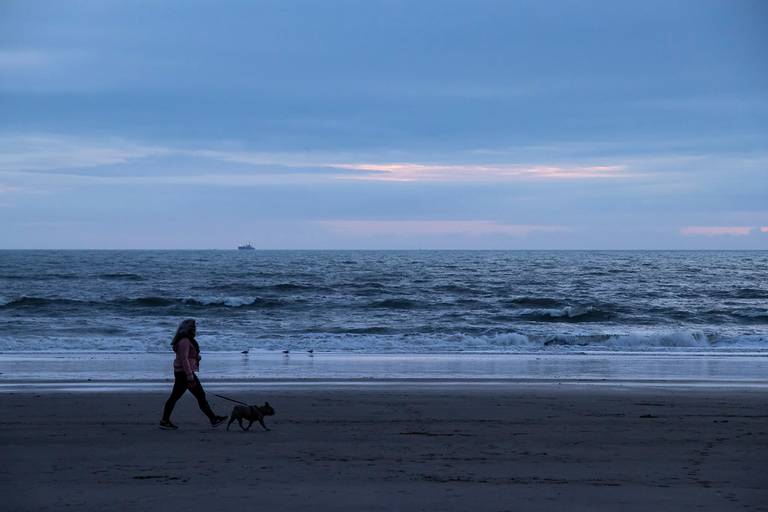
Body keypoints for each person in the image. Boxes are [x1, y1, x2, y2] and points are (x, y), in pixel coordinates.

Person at [159, 319, 227, 430]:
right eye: (193, 328)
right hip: (185, 374)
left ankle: (164, 421)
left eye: (195, 328)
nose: (195, 330)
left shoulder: (186, 340)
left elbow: (186, 356)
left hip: (183, 373)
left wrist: (196, 357)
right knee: (198, 396)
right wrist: (190, 377)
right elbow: (184, 359)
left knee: (180, 397)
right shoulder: (185, 341)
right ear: (188, 329)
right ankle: (213, 419)